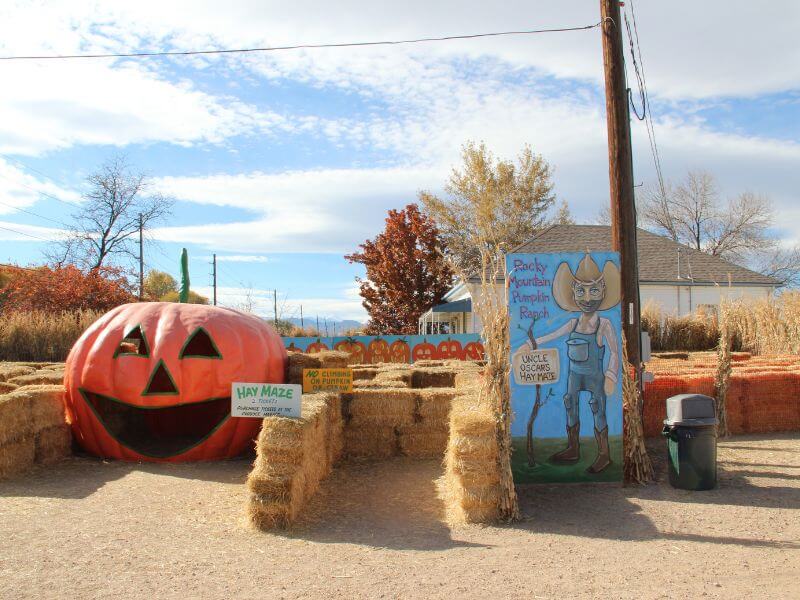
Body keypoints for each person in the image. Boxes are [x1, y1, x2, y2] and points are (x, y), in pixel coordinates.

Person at [514, 253, 621, 473]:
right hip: (575, 374)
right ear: (573, 293)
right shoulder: (573, 323)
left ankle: (604, 454)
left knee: (598, 407)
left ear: (603, 291)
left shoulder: (604, 324)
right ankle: (573, 448)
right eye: (581, 291)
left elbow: (614, 351)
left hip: (595, 376)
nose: (587, 298)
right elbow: (551, 336)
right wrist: (529, 344)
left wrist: (611, 375)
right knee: (570, 403)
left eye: (593, 291)